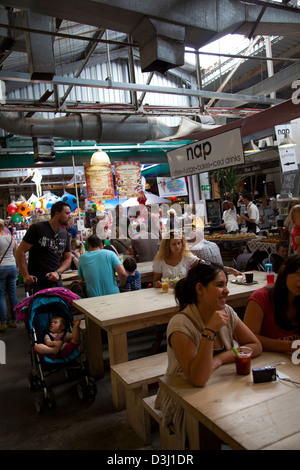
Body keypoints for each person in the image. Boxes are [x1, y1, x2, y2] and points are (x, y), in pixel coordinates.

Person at [154, 261, 262, 443]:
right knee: (207, 430)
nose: (227, 290)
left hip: (222, 388)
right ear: (200, 289)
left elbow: (255, 345)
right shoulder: (181, 324)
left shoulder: (225, 311)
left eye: (226, 284)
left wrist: (220, 359)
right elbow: (198, 378)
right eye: (220, 285)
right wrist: (209, 332)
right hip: (184, 399)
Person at [244, 254, 300, 352]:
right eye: (299, 274)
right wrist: (290, 346)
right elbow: (248, 338)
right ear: (284, 271)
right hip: (265, 361)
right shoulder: (261, 298)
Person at [16, 201, 72, 294]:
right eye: (66, 213)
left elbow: (68, 258)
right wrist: (25, 275)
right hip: (38, 283)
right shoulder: (37, 228)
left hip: (56, 282)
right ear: (57, 214)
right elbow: (20, 252)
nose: (69, 216)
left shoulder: (64, 233)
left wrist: (58, 272)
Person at [0, 218, 18, 330]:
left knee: (1, 295)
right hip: (12, 266)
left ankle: (3, 322)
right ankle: (14, 320)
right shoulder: (11, 238)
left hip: (1, 268)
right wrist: (18, 267)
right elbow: (16, 252)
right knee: (12, 294)